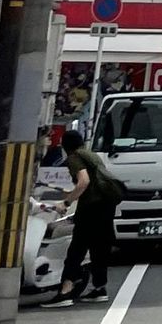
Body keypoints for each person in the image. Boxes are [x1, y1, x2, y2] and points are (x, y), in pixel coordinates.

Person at [48, 126, 121, 306]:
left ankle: (66, 291)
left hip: (92, 208)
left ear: (65, 146)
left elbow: (84, 181)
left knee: (77, 248)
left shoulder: (74, 157)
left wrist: (66, 203)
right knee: (99, 248)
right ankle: (99, 289)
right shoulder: (91, 155)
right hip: (106, 205)